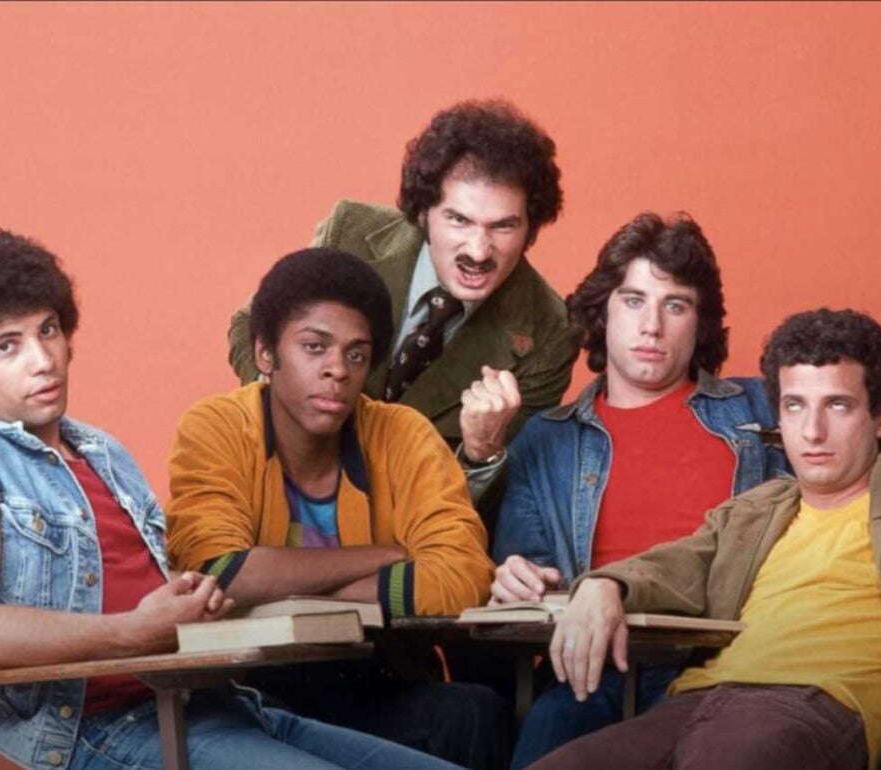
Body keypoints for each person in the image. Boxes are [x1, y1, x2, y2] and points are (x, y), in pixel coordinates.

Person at [0, 230, 458, 770]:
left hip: (218, 701)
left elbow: (148, 589)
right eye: (7, 347)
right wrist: (135, 631)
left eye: (47, 330)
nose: (43, 358)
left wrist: (192, 600)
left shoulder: (102, 452)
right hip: (100, 731)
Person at [536, 308, 881, 770]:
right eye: (794, 406)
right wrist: (603, 585)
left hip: (808, 702)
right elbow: (674, 565)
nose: (812, 431)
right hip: (694, 700)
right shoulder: (756, 512)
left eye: (837, 405)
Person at [167, 247, 508, 769]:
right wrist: (384, 555)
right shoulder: (216, 427)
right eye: (313, 347)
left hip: (376, 675)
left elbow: (462, 576)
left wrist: (282, 583)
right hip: (255, 684)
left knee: (472, 710)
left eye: (355, 354)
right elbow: (217, 573)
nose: (337, 371)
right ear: (265, 354)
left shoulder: (402, 433)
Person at [490, 212, 788, 768]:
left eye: (675, 305)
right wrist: (512, 576)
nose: (652, 325)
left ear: (700, 324)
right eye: (633, 300)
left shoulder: (763, 408)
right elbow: (528, 574)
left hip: (730, 659)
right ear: (602, 313)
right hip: (593, 668)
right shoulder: (547, 439)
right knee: (547, 737)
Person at [227, 99, 580, 501]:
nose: (479, 252)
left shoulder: (550, 332)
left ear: (530, 227)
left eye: (503, 226)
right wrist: (285, 406)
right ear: (423, 212)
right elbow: (250, 326)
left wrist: (483, 453)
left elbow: (500, 508)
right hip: (279, 487)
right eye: (458, 220)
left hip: (405, 527)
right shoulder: (352, 233)